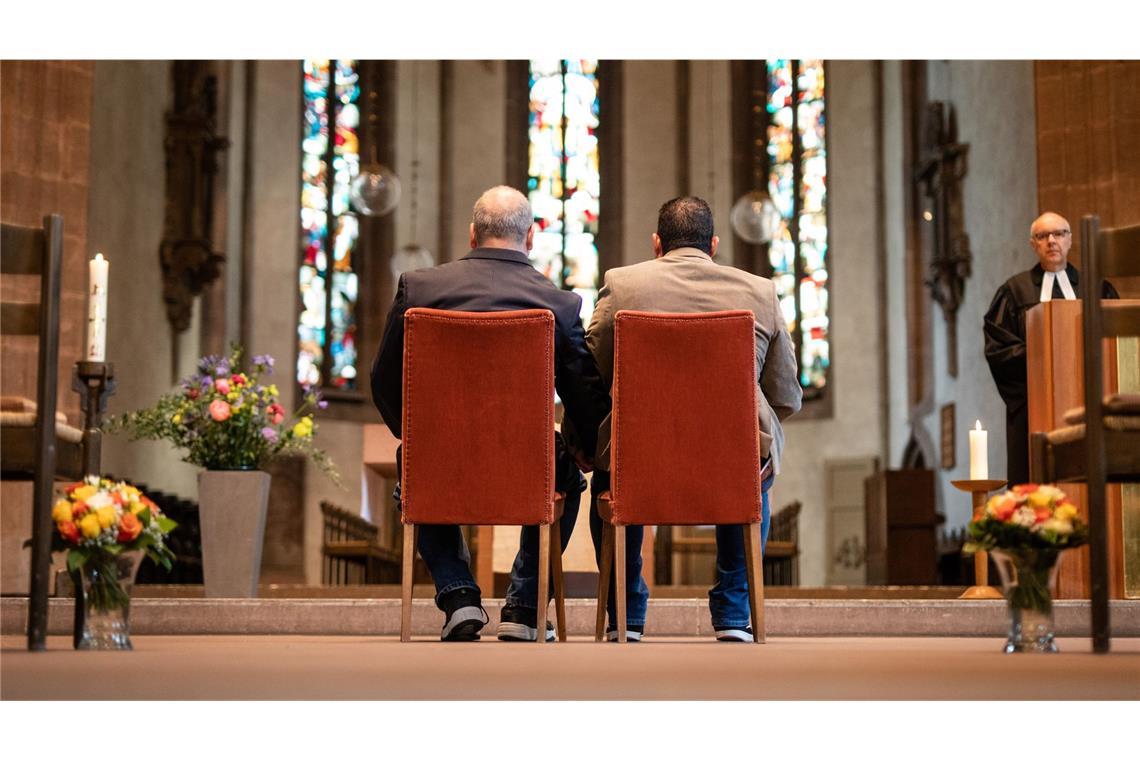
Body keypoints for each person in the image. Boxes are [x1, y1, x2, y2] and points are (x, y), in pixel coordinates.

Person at [371, 186, 609, 642]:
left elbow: (383, 379)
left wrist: (418, 434)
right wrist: (581, 448)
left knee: (413, 460)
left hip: (441, 461)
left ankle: (458, 597)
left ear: (473, 234)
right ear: (531, 237)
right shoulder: (559, 304)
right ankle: (522, 607)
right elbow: (587, 400)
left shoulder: (419, 289)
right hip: (527, 464)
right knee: (568, 477)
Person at [585, 196, 802, 642]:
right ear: (714, 245)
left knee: (612, 464)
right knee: (749, 459)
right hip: (731, 461)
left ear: (656, 244)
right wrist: (730, 426)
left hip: (638, 458)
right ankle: (733, 613)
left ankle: (625, 614)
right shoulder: (759, 291)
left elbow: (594, 370)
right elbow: (785, 392)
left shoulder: (621, 286)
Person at [984, 211, 1119, 486]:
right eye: (1042, 236)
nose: (1051, 241)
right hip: (1033, 402)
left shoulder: (1097, 287)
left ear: (1070, 240)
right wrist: (1044, 358)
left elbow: (1115, 342)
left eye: (1059, 234)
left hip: (1089, 399)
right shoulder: (1014, 292)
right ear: (1033, 245)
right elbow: (999, 350)